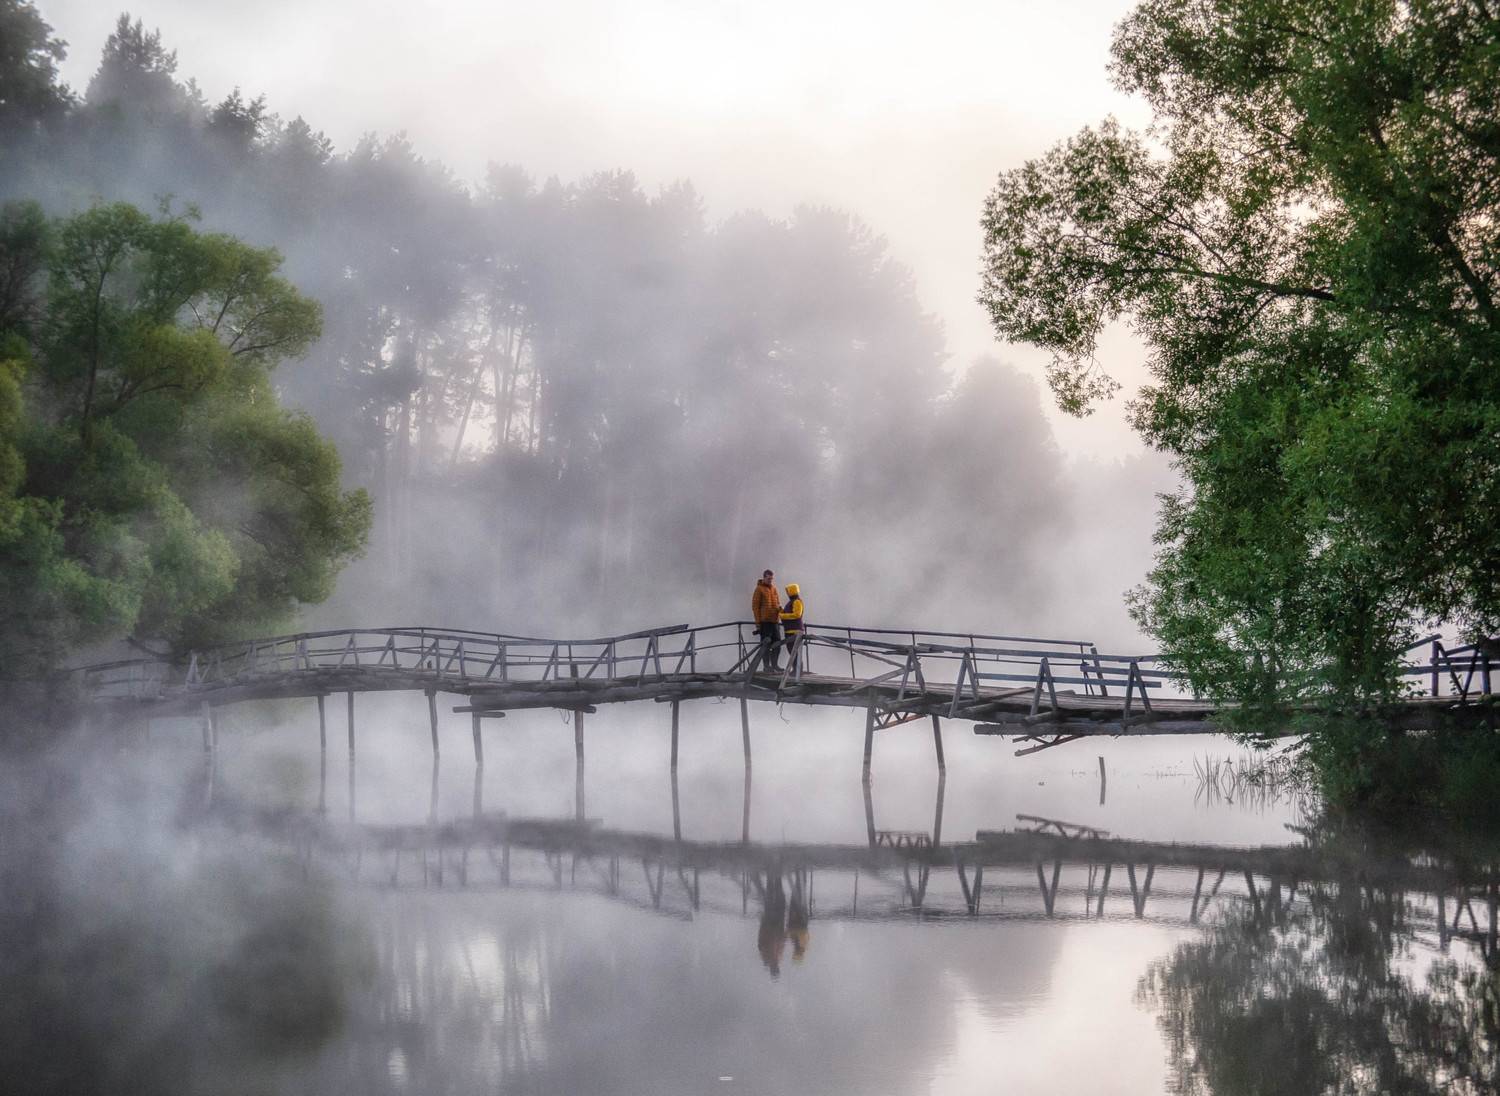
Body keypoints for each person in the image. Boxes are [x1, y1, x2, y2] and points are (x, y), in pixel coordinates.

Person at [751, 569, 781, 672]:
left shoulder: (774, 589)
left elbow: (777, 603)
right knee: (766, 645)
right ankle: (766, 666)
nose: (770, 581)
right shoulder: (759, 589)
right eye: (768, 579)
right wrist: (758, 623)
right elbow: (755, 607)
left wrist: (780, 611)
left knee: (778, 643)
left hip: (775, 622)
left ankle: (775, 665)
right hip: (765, 622)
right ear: (764, 578)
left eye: (771, 579)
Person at [779, 583, 805, 667]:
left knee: (794, 651)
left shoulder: (797, 601)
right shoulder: (791, 602)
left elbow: (797, 614)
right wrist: (782, 610)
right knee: (791, 651)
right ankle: (795, 669)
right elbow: (790, 612)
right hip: (789, 629)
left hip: (795, 630)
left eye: (788, 591)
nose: (787, 593)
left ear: (792, 592)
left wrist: (782, 616)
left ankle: (798, 670)